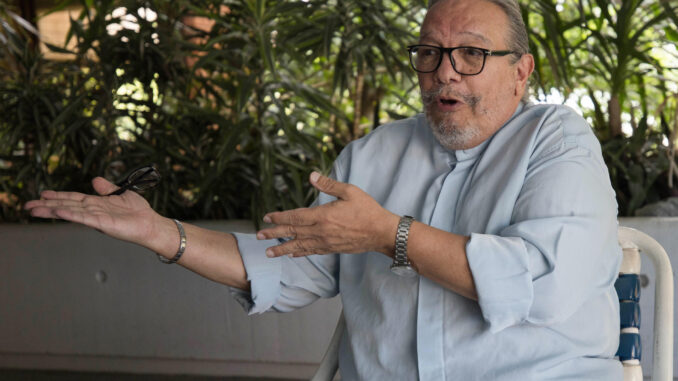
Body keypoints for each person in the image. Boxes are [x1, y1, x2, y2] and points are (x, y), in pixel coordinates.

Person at [26, 0, 623, 379]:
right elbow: (284, 266)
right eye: (431, 53)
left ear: (521, 72)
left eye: (471, 53)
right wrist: (162, 233)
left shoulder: (559, 141)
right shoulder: (374, 154)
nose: (445, 69)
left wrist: (390, 235)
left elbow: (542, 280)